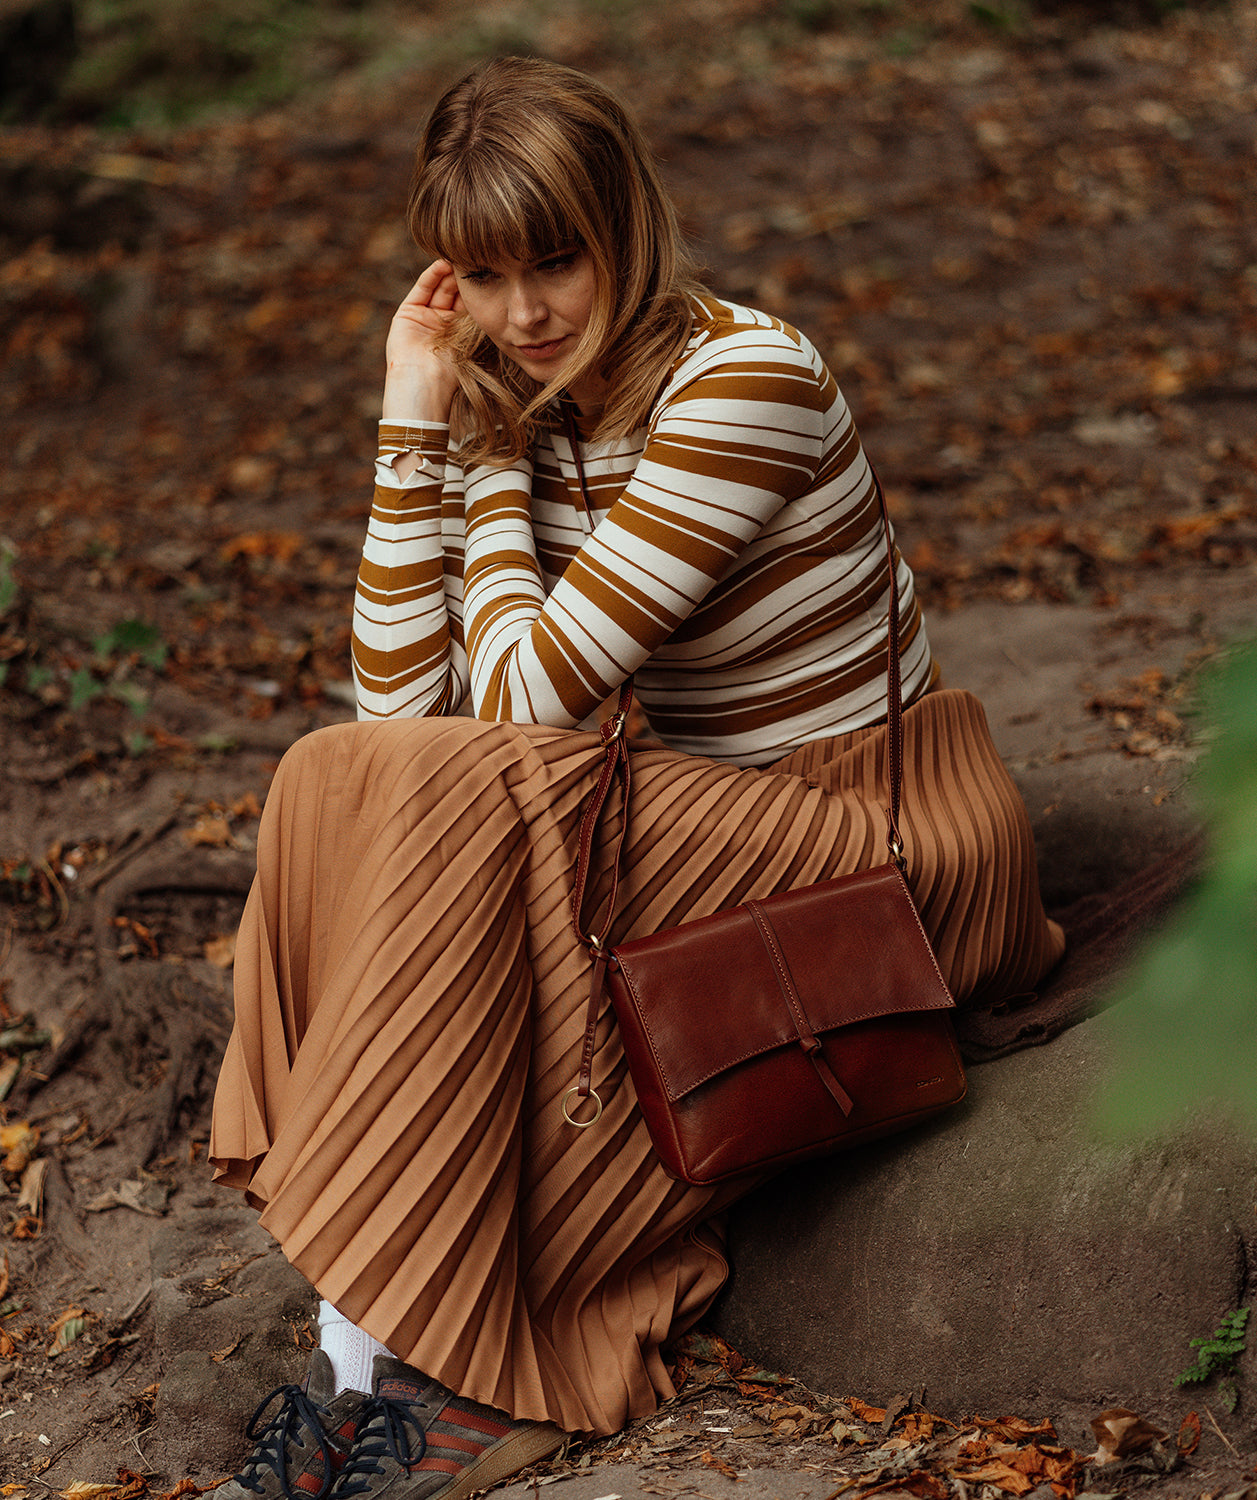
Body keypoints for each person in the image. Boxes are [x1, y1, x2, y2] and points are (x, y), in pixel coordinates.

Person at [208, 53, 1065, 1500]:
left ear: (627, 224)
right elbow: (396, 711)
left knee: (478, 784)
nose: (525, 311)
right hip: (701, 833)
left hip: (873, 841)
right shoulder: (525, 397)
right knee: (326, 773)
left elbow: (525, 704)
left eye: (556, 258)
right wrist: (411, 423)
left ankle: (441, 1370)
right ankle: (358, 1369)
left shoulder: (745, 379)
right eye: (481, 277)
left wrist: (479, 466)